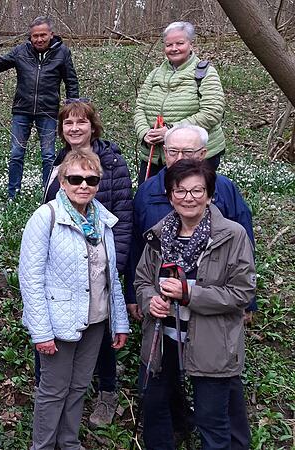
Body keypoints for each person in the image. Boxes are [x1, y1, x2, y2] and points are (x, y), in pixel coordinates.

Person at [125, 124, 256, 446]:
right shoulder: (159, 232)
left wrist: (189, 294)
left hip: (211, 342)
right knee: (156, 410)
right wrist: (148, 300)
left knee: (212, 421)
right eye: (180, 191)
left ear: (210, 194)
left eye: (197, 191)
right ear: (169, 196)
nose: (188, 198)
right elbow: (143, 279)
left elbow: (242, 291)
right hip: (163, 337)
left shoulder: (231, 235)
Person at [19, 150, 129, 450]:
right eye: (75, 179)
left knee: (79, 386)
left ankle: (68, 442)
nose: (84, 185)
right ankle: (42, 446)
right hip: (58, 322)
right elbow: (30, 278)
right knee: (53, 390)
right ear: (62, 182)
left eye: (91, 179)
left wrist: (120, 322)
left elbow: (111, 277)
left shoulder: (102, 219)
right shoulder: (46, 217)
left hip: (95, 320)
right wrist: (40, 331)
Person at [40, 100, 132, 427]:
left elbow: (123, 215)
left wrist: (114, 262)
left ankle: (108, 393)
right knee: (63, 334)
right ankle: (53, 405)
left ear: (93, 126)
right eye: (68, 124)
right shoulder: (58, 162)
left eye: (81, 123)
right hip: (65, 268)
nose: (75, 129)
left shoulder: (111, 161)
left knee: (100, 330)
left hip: (99, 264)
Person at [0, 16, 79, 196]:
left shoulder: (62, 53)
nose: (39, 39)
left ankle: (49, 196)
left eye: (43, 35)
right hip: (22, 110)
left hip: (48, 111)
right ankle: (13, 195)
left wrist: (73, 110)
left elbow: (71, 81)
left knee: (48, 156)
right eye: (35, 36)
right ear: (30, 36)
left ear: (51, 34)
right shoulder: (21, 51)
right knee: (16, 154)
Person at [133, 21, 225, 184]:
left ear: (190, 44)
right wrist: (144, 133)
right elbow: (139, 107)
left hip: (193, 155)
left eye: (179, 43)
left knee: (188, 200)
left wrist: (170, 131)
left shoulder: (205, 73)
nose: (174, 48)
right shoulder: (155, 74)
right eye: (169, 45)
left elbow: (211, 113)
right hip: (155, 156)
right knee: (150, 200)